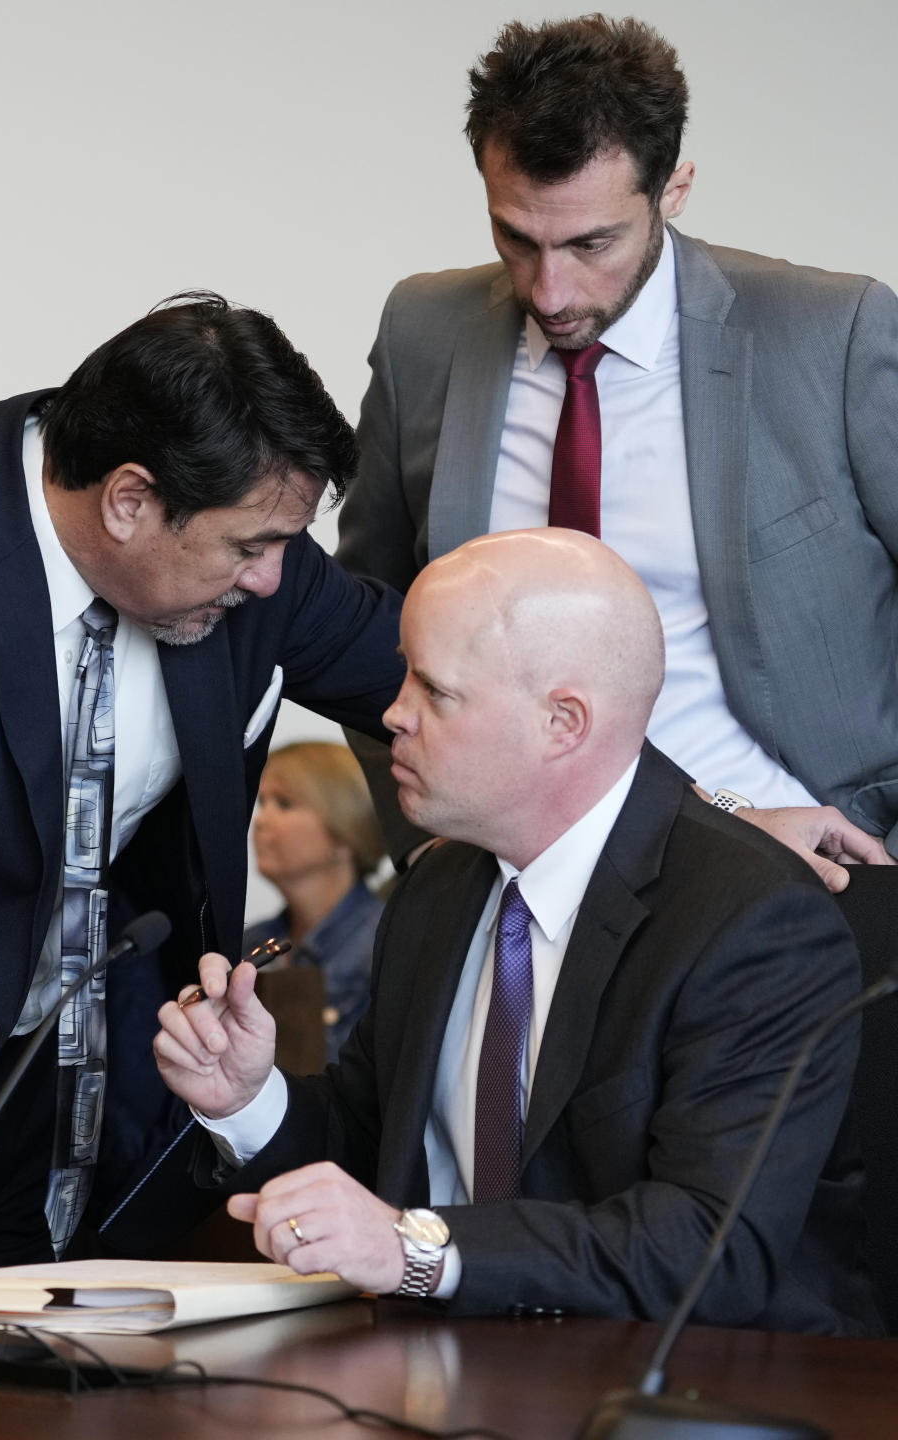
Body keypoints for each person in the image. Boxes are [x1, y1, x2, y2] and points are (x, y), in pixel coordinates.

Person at [148, 529, 879, 1335]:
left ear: (563, 722)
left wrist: (421, 1249)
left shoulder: (750, 920)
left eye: (436, 691)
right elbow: (372, 1148)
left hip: (688, 1391)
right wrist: (250, 1099)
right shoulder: (437, 887)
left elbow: (712, 1246)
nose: (393, 714)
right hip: (438, 1372)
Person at [334, 14, 898, 892]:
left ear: (673, 189)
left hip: (795, 864)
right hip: (510, 881)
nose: (550, 291)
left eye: (590, 244)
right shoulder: (424, 333)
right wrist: (421, 837)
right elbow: (368, 617)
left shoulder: (832, 335)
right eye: (516, 238)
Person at [0, 291, 404, 1271]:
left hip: (79, 1136)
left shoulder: (263, 576)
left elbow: (475, 688)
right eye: (250, 548)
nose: (273, 580)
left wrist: (714, 810)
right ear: (130, 500)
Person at [242, 741, 386, 1061]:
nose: (261, 820)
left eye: (284, 803)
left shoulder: (386, 948)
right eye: (262, 802)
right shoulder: (252, 946)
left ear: (345, 830)